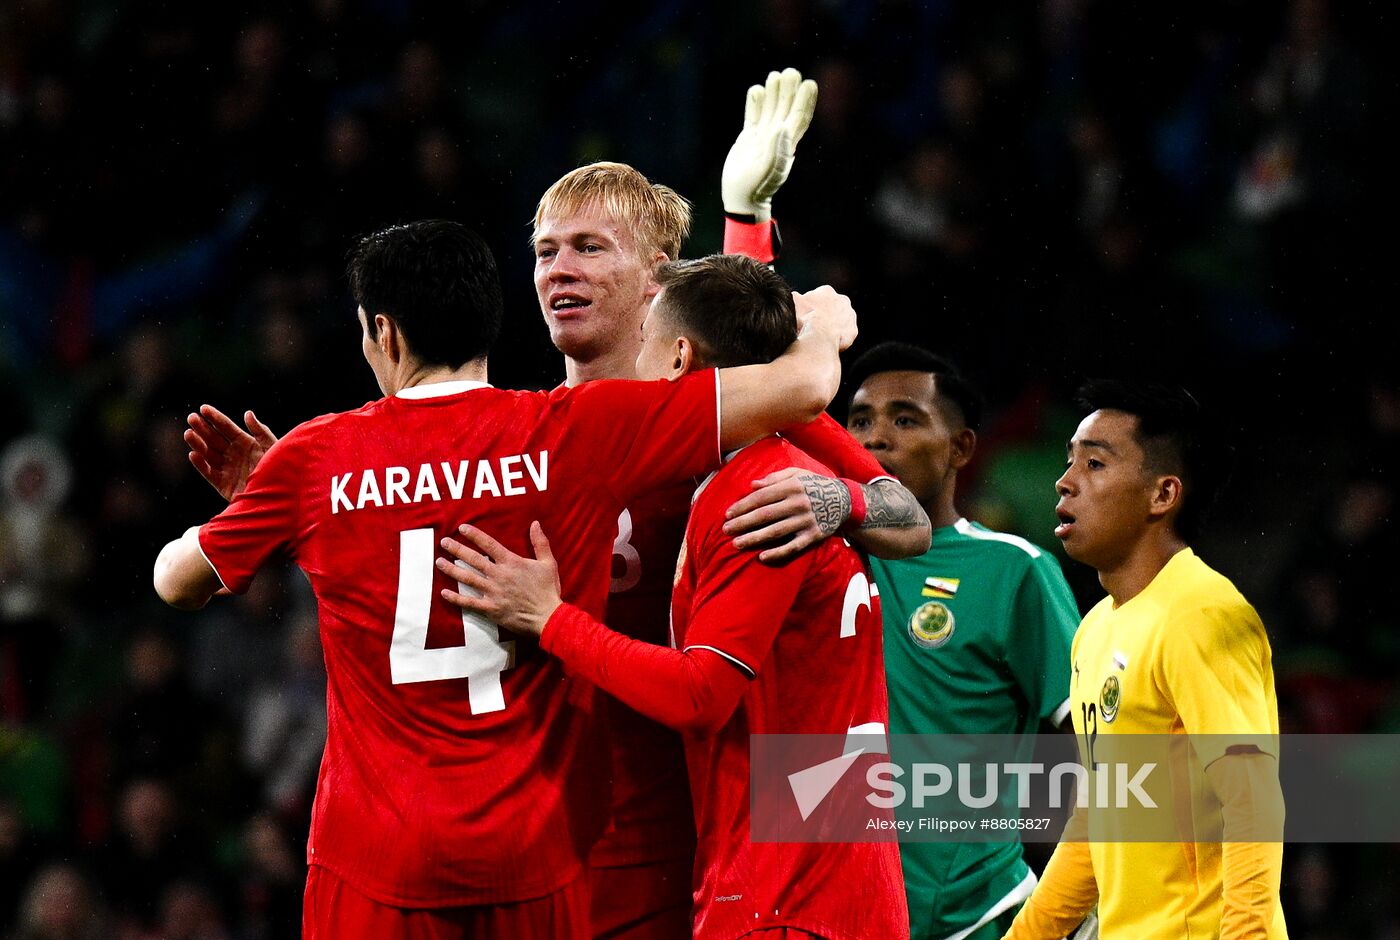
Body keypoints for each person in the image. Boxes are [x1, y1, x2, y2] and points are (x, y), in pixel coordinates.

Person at [185, 69, 929, 940]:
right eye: (542, 251)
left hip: (696, 841)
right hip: (537, 844)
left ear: (658, 280)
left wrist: (835, 498)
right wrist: (312, 503)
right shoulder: (522, 440)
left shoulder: (726, 429)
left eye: (587, 248)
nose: (558, 270)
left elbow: (905, 517)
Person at [437, 253, 909, 940]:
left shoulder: (755, 496)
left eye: (648, 341)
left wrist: (551, 619)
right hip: (830, 886)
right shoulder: (789, 465)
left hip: (782, 904)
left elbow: (700, 694)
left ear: (679, 357)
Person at [1003, 380, 1286, 940]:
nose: (1065, 482)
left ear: (1162, 496)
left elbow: (1251, 801)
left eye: (1096, 464)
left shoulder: (1203, 614)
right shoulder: (1096, 628)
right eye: (1069, 461)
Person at [843, 342, 1080, 940]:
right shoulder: (818, 560)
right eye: (860, 419)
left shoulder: (1014, 571)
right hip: (838, 906)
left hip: (978, 916)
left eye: (905, 419)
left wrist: (1075, 894)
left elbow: (1091, 743)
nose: (875, 439)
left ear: (962, 448)